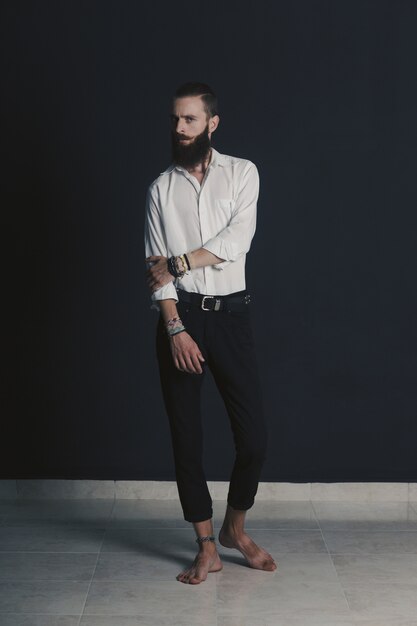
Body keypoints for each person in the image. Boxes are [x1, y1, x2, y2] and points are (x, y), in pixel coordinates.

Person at [144, 81, 277, 584]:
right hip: (182, 319)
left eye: (189, 120)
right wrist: (175, 328)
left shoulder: (243, 173)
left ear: (211, 123)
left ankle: (235, 529)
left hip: (231, 317)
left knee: (254, 439)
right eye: (176, 120)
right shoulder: (160, 188)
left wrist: (179, 261)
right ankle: (206, 545)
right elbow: (157, 274)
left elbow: (236, 241)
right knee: (187, 440)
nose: (179, 128)